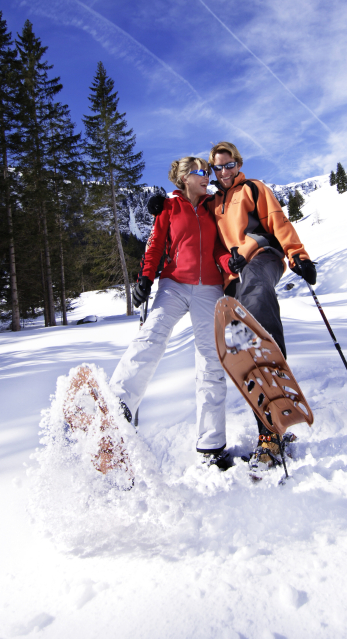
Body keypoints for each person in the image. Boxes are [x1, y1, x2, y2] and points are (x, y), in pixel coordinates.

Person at [110, 156, 233, 470]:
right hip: (174, 284)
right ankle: (119, 403)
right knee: (152, 335)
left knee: (212, 361)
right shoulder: (168, 207)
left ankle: (212, 445)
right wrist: (145, 279)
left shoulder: (213, 205)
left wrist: (229, 267)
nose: (208, 175)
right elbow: (154, 245)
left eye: (208, 171)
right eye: (201, 171)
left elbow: (220, 246)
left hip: (210, 288)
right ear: (184, 178)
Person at [207, 141, 317, 467]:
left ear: (238, 164)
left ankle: (272, 364)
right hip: (233, 276)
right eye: (218, 168)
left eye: (229, 165)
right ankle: (269, 425)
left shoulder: (253, 189)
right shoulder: (213, 203)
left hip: (263, 258)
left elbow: (277, 222)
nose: (224, 172)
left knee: (256, 294)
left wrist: (298, 255)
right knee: (240, 343)